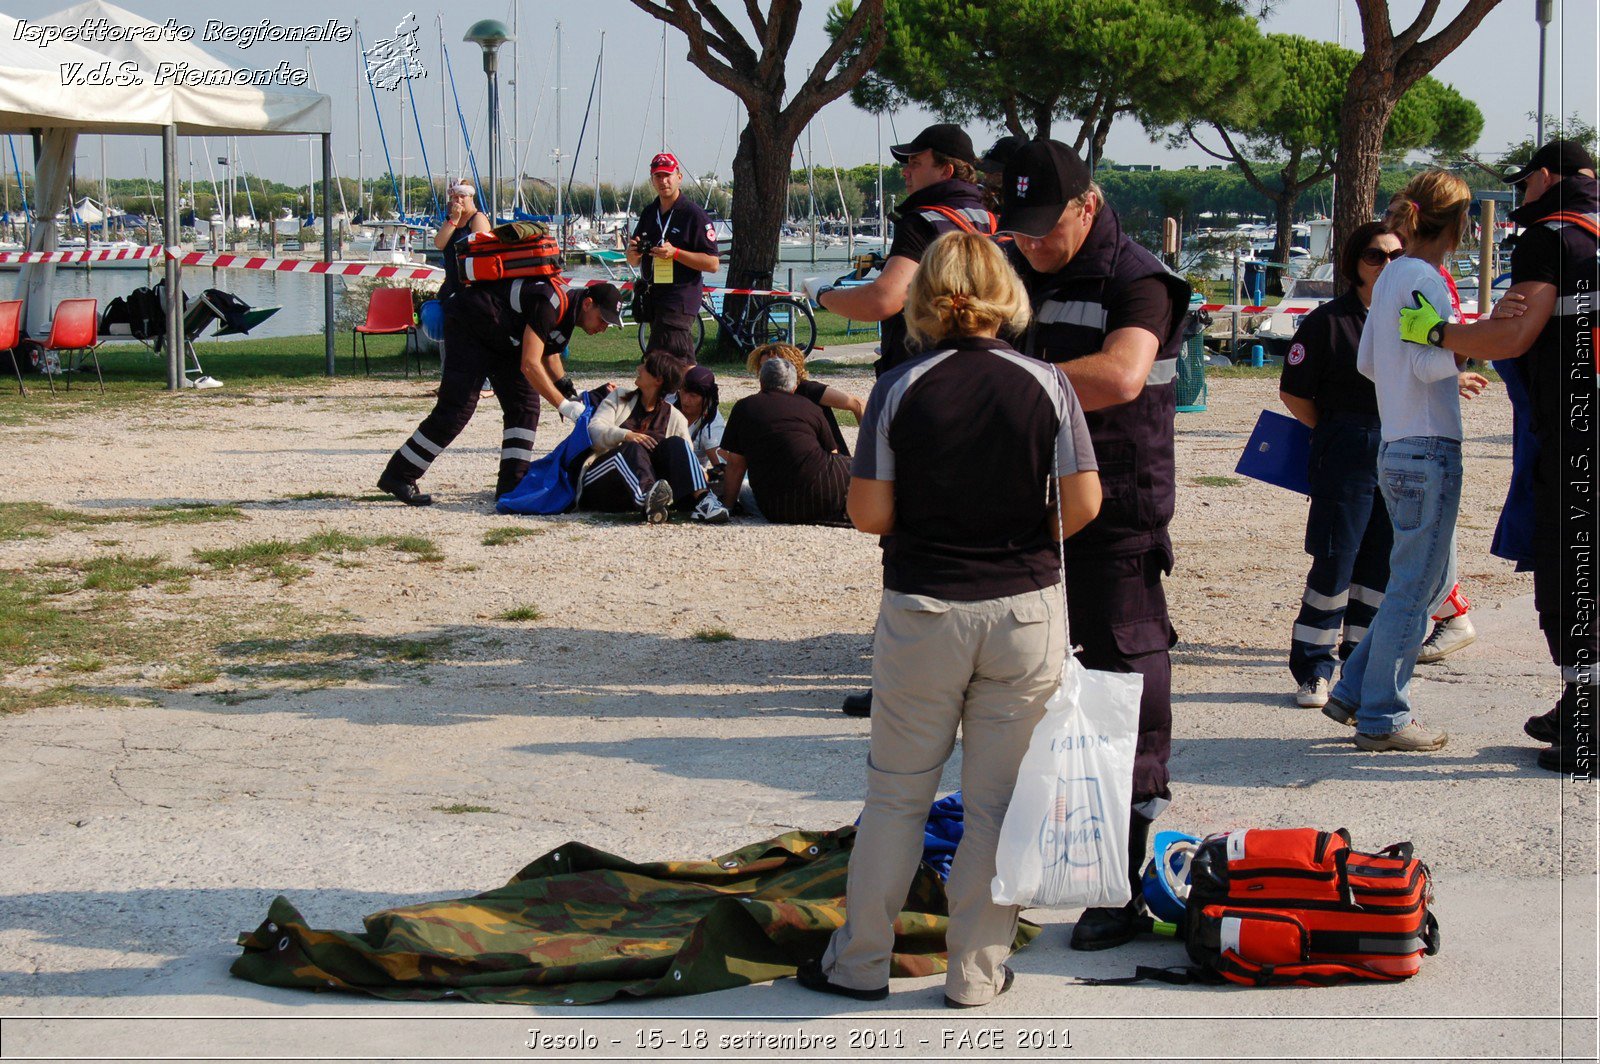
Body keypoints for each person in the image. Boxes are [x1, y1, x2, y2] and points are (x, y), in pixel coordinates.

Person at [796, 230, 1100, 1009]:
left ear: (927, 299)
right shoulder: (1049, 384)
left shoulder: (901, 386)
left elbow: (867, 513)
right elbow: (1086, 500)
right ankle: (975, 968)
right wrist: (1023, 538)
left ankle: (860, 958)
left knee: (898, 793)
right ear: (1007, 294)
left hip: (925, 605)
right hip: (1024, 608)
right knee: (998, 800)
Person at [998, 138, 1190, 951]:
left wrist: (996, 379)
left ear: (1088, 204)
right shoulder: (1018, 266)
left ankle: (1125, 871)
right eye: (1020, 231)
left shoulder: (1138, 278)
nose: (1033, 245)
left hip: (1116, 512)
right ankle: (1041, 853)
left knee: (1125, 678)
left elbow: (1120, 377)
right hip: (1028, 504)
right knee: (1027, 678)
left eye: (1046, 228)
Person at [1393, 140, 1599, 775]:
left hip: (1574, 432)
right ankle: (1578, 703)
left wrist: (1435, 333)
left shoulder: (1550, 239)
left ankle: (1587, 721)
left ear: (1543, 178)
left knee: (1567, 572)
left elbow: (1512, 334)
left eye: (1524, 184)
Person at [1318, 170, 1477, 754]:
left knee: (1418, 581)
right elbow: (1424, 363)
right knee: (1414, 591)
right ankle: (1383, 716)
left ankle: (1356, 689)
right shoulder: (1426, 278)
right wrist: (1467, 344)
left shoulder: (1388, 278)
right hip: (1430, 445)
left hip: (1395, 444)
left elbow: (1370, 362)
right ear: (1459, 223)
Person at [1278, 224, 1407, 707]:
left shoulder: (1411, 320)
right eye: (1376, 256)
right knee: (1335, 561)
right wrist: (1333, 431)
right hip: (1346, 450)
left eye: (1397, 256)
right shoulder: (1329, 323)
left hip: (1398, 449)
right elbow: (1293, 390)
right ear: (1355, 263)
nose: (1387, 265)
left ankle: (1361, 666)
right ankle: (1314, 667)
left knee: (1380, 565)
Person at [376, 281, 625, 505]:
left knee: (525, 407)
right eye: (603, 319)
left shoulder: (567, 311)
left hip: (501, 340)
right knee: (457, 408)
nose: (603, 327)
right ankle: (399, 475)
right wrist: (564, 405)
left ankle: (511, 485)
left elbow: (549, 354)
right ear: (588, 303)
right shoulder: (549, 301)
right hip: (470, 328)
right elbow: (530, 364)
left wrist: (568, 390)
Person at [806, 124, 995, 378]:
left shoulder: (922, 222)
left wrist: (823, 295)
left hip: (925, 376)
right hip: (986, 369)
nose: (905, 172)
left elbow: (882, 300)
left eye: (915, 164)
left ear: (946, 171)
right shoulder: (992, 219)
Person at [577, 349, 731, 524]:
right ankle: (648, 498)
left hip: (628, 497)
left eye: (645, 366)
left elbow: (686, 458)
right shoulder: (619, 398)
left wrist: (700, 473)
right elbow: (593, 431)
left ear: (658, 380)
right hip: (600, 484)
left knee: (676, 443)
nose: (638, 368)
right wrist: (626, 435)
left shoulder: (674, 417)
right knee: (632, 448)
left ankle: (704, 501)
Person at [718, 356, 852, 526]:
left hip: (776, 507)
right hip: (824, 494)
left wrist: (727, 506)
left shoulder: (744, 407)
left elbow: (736, 465)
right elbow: (832, 454)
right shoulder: (810, 407)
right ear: (794, 387)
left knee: (746, 494)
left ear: (761, 382)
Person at [627, 152, 720, 353]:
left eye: (668, 175)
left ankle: (666, 382)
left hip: (680, 297)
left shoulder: (694, 215)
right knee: (678, 357)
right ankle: (698, 383)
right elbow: (633, 260)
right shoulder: (649, 213)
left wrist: (676, 253)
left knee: (657, 358)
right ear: (652, 180)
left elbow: (713, 264)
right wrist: (633, 254)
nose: (663, 181)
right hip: (653, 296)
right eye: (658, 176)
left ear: (679, 176)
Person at [747, 342, 865, 456]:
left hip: (831, 462)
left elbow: (858, 404)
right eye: (763, 367)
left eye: (773, 365)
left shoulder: (809, 389)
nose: (768, 370)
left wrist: (868, 452)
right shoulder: (763, 399)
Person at [433, 181, 492, 301]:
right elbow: (439, 244)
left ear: (470, 197)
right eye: (455, 197)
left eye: (462, 196)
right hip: (451, 283)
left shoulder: (477, 218)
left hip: (472, 286)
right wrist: (454, 219)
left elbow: (481, 253)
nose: (458, 200)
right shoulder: (451, 219)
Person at [672, 363, 725, 478]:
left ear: (707, 398)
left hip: (688, 476)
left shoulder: (712, 425)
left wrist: (705, 475)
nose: (685, 400)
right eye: (684, 392)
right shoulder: (669, 406)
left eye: (693, 396)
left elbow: (723, 469)